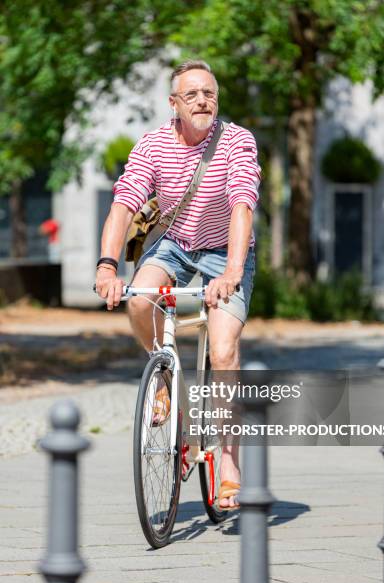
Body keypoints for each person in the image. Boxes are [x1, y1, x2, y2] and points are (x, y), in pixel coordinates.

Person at [95, 59, 261, 509]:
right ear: (174, 104)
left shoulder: (237, 142)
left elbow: (243, 205)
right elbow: (124, 205)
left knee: (225, 349)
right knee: (139, 300)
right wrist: (107, 267)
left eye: (209, 93)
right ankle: (164, 382)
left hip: (227, 246)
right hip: (173, 242)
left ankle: (229, 462)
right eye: (192, 95)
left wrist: (229, 272)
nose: (203, 101)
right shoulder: (152, 146)